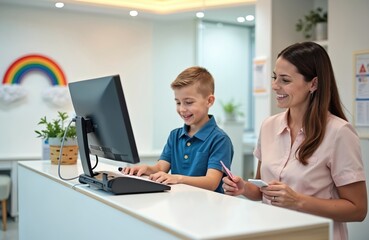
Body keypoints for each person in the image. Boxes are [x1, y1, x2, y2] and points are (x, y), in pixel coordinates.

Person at [222, 42, 367, 240]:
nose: (275, 86)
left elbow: (357, 210)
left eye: (285, 80)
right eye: (274, 77)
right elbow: (261, 190)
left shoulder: (339, 133)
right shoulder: (268, 126)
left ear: (313, 84)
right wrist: (243, 187)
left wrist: (298, 200)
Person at [122, 66, 234, 193]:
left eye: (189, 102)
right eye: (178, 102)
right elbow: (160, 167)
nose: (182, 109)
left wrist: (178, 178)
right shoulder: (175, 136)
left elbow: (211, 182)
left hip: (206, 208)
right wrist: (145, 169)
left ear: (209, 101)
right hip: (178, 204)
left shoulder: (220, 139)